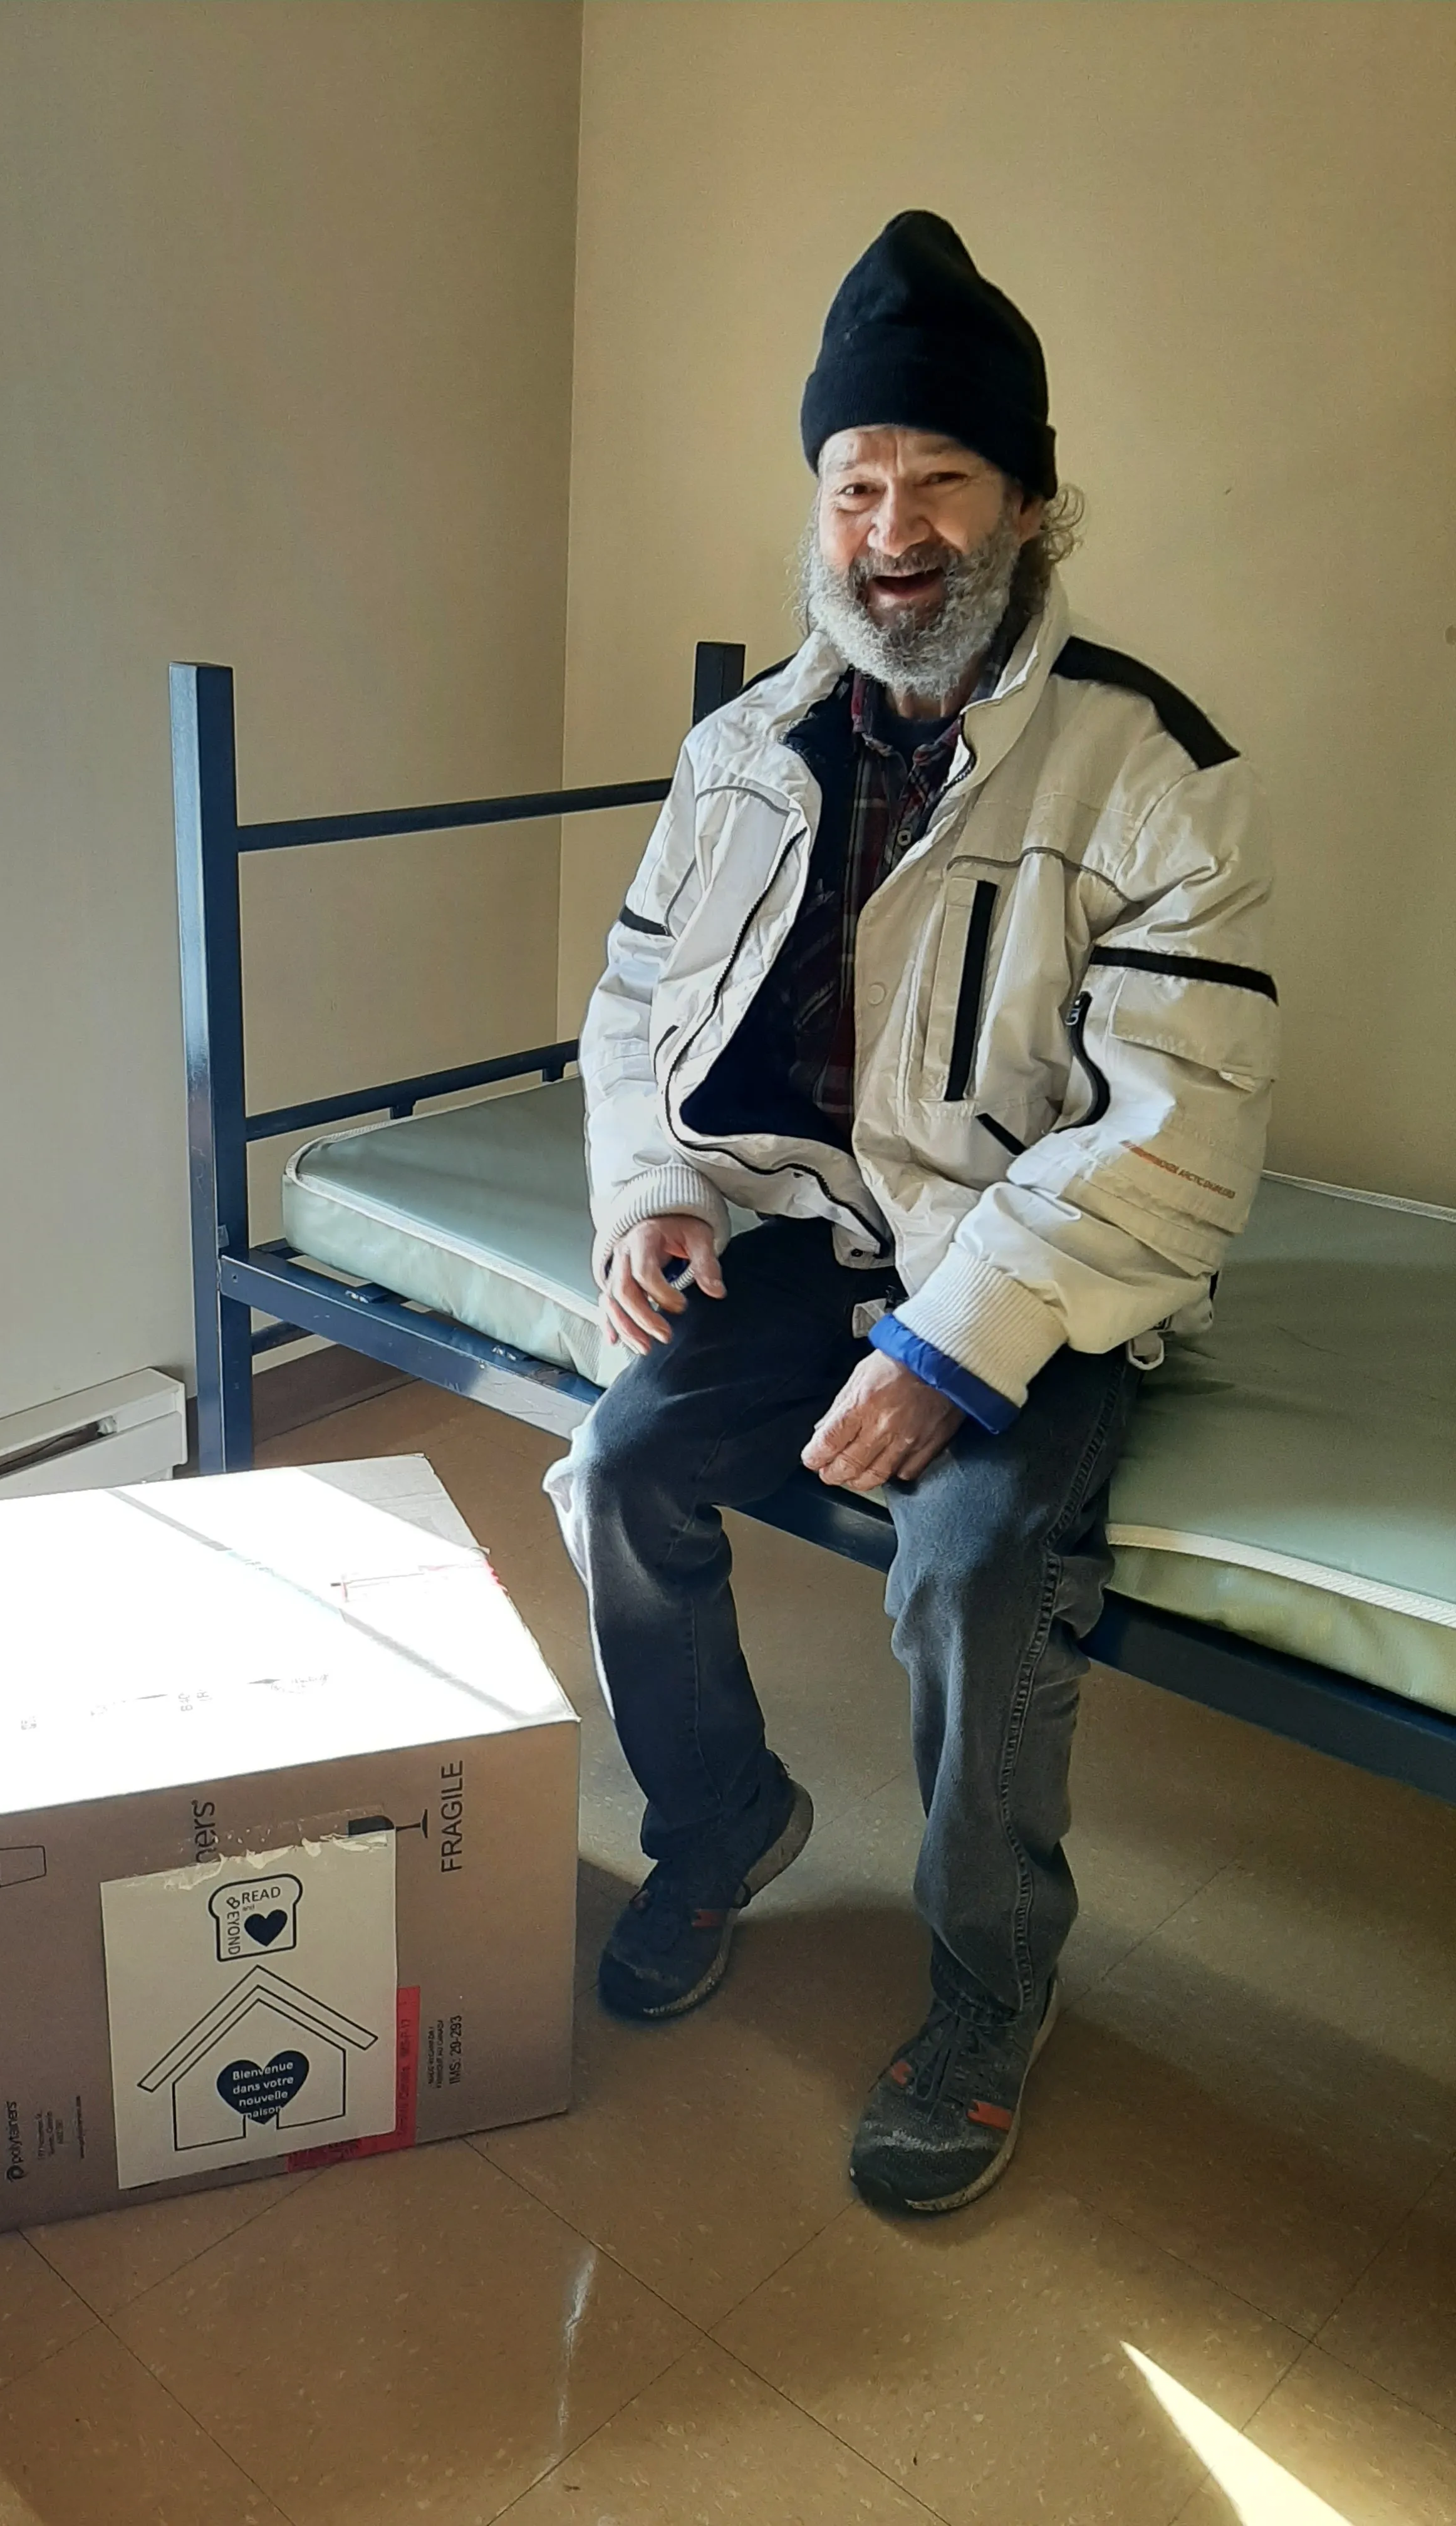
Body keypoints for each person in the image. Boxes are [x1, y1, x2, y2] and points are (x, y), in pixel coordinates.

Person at [545, 209, 1278, 2215]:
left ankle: (985, 1993)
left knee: (962, 1567)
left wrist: (957, 1346)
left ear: (1033, 504)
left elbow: (1184, 1120)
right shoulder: (740, 755)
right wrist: (655, 1193)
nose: (895, 527)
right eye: (855, 482)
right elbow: (635, 1009)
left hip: (1029, 1281)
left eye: (942, 479)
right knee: (617, 1469)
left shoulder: (1151, 768)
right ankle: (724, 1822)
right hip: (801, 1239)